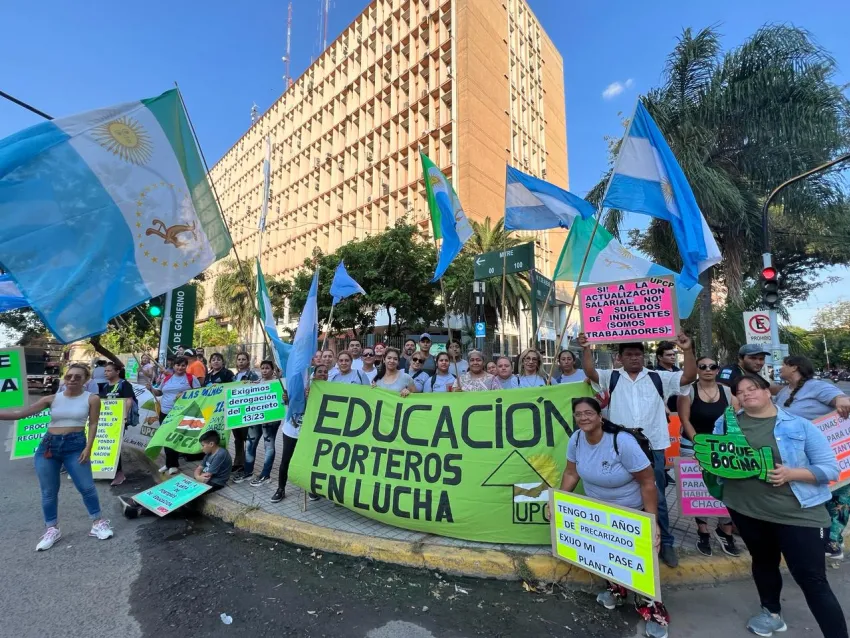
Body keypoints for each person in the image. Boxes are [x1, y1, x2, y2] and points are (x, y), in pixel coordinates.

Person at [717, 373, 846, 638]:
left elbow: (831, 470)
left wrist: (791, 474)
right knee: (764, 563)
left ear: (768, 392)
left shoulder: (799, 426)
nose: (746, 394)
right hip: (746, 510)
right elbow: (719, 457)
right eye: (740, 391)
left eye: (753, 388)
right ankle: (771, 613)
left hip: (798, 514)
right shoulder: (726, 423)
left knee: (812, 580)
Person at [579, 333, 697, 568]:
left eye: (638, 354)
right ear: (620, 357)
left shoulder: (658, 377)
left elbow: (688, 377)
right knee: (621, 494)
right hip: (619, 447)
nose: (634, 358)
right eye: (629, 354)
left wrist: (687, 350)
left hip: (653, 447)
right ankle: (627, 541)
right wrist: (586, 348)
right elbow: (590, 372)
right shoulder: (611, 377)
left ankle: (666, 543)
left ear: (644, 356)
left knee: (658, 497)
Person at [559, 397, 668, 638]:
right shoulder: (576, 439)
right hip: (599, 513)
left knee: (641, 565)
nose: (584, 418)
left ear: (600, 416)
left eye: (589, 413)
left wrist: (652, 522)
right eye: (579, 414)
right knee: (607, 556)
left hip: (632, 513)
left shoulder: (622, 442)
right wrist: (557, 500)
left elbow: (648, 481)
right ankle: (617, 593)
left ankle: (654, 613)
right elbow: (571, 473)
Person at [0, 363, 114, 551]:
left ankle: (97, 523)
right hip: (48, 448)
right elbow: (19, 414)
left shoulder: (92, 399)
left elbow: (93, 424)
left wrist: (88, 447)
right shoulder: (51, 399)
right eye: (69, 376)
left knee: (86, 487)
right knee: (49, 491)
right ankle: (52, 529)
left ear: (86, 380)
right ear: (64, 378)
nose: (72, 379)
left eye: (78, 377)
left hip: (75, 446)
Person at [776, 355, 850, 560]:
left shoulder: (817, 386)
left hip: (828, 451)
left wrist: (842, 401)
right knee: (814, 496)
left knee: (838, 497)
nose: (780, 368)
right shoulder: (784, 391)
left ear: (794, 367)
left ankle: (833, 541)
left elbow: (839, 397)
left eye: (783, 365)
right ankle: (815, 538)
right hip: (799, 456)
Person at [677, 356, 740, 557]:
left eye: (712, 366)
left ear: (717, 370)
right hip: (693, 445)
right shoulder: (688, 391)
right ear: (697, 369)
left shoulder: (727, 392)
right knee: (698, 489)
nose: (707, 370)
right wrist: (700, 444)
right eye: (703, 366)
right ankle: (702, 530)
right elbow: (685, 420)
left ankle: (725, 530)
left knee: (725, 487)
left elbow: (737, 419)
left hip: (723, 448)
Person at [271, 364, 329, 503]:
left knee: (310, 461)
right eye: (320, 371)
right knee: (286, 460)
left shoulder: (329, 390)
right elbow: (287, 403)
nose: (323, 374)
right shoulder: (301, 385)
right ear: (313, 375)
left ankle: (311, 488)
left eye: (325, 372)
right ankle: (281, 489)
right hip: (292, 430)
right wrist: (286, 398)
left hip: (311, 433)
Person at [146, 356, 202, 474]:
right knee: (166, 437)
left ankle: (173, 464)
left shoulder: (191, 378)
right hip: (164, 412)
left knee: (174, 437)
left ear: (186, 366)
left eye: (183, 365)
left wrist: (185, 393)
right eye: (178, 365)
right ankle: (169, 463)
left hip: (181, 413)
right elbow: (159, 392)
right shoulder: (167, 378)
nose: (180, 367)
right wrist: (151, 389)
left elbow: (199, 393)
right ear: (173, 366)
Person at [233, 360, 283, 487]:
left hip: (271, 420)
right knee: (250, 444)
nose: (264, 370)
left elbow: (283, 401)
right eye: (262, 368)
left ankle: (265, 475)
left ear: (273, 370)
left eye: (267, 368)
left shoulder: (278, 384)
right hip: (255, 418)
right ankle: (248, 471)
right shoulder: (256, 383)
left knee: (268, 446)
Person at [99, 362, 137, 487]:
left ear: (117, 372)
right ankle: (108, 470)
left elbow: (129, 401)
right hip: (107, 420)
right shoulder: (106, 386)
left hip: (119, 420)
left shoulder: (124, 384)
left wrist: (124, 417)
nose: (106, 373)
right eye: (105, 371)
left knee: (116, 446)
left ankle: (119, 474)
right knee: (107, 445)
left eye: (109, 370)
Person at [232, 351, 259, 473]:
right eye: (239, 359)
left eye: (243, 359)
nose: (241, 361)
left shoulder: (252, 375)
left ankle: (247, 464)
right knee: (237, 439)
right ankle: (238, 462)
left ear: (248, 361)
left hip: (247, 411)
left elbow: (257, 390)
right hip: (235, 412)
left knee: (247, 439)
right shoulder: (234, 377)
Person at [654, 341, 681, 413]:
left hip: (681, 410)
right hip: (665, 412)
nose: (673, 357)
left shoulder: (678, 371)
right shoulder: (655, 374)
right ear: (660, 357)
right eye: (669, 355)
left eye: (673, 355)